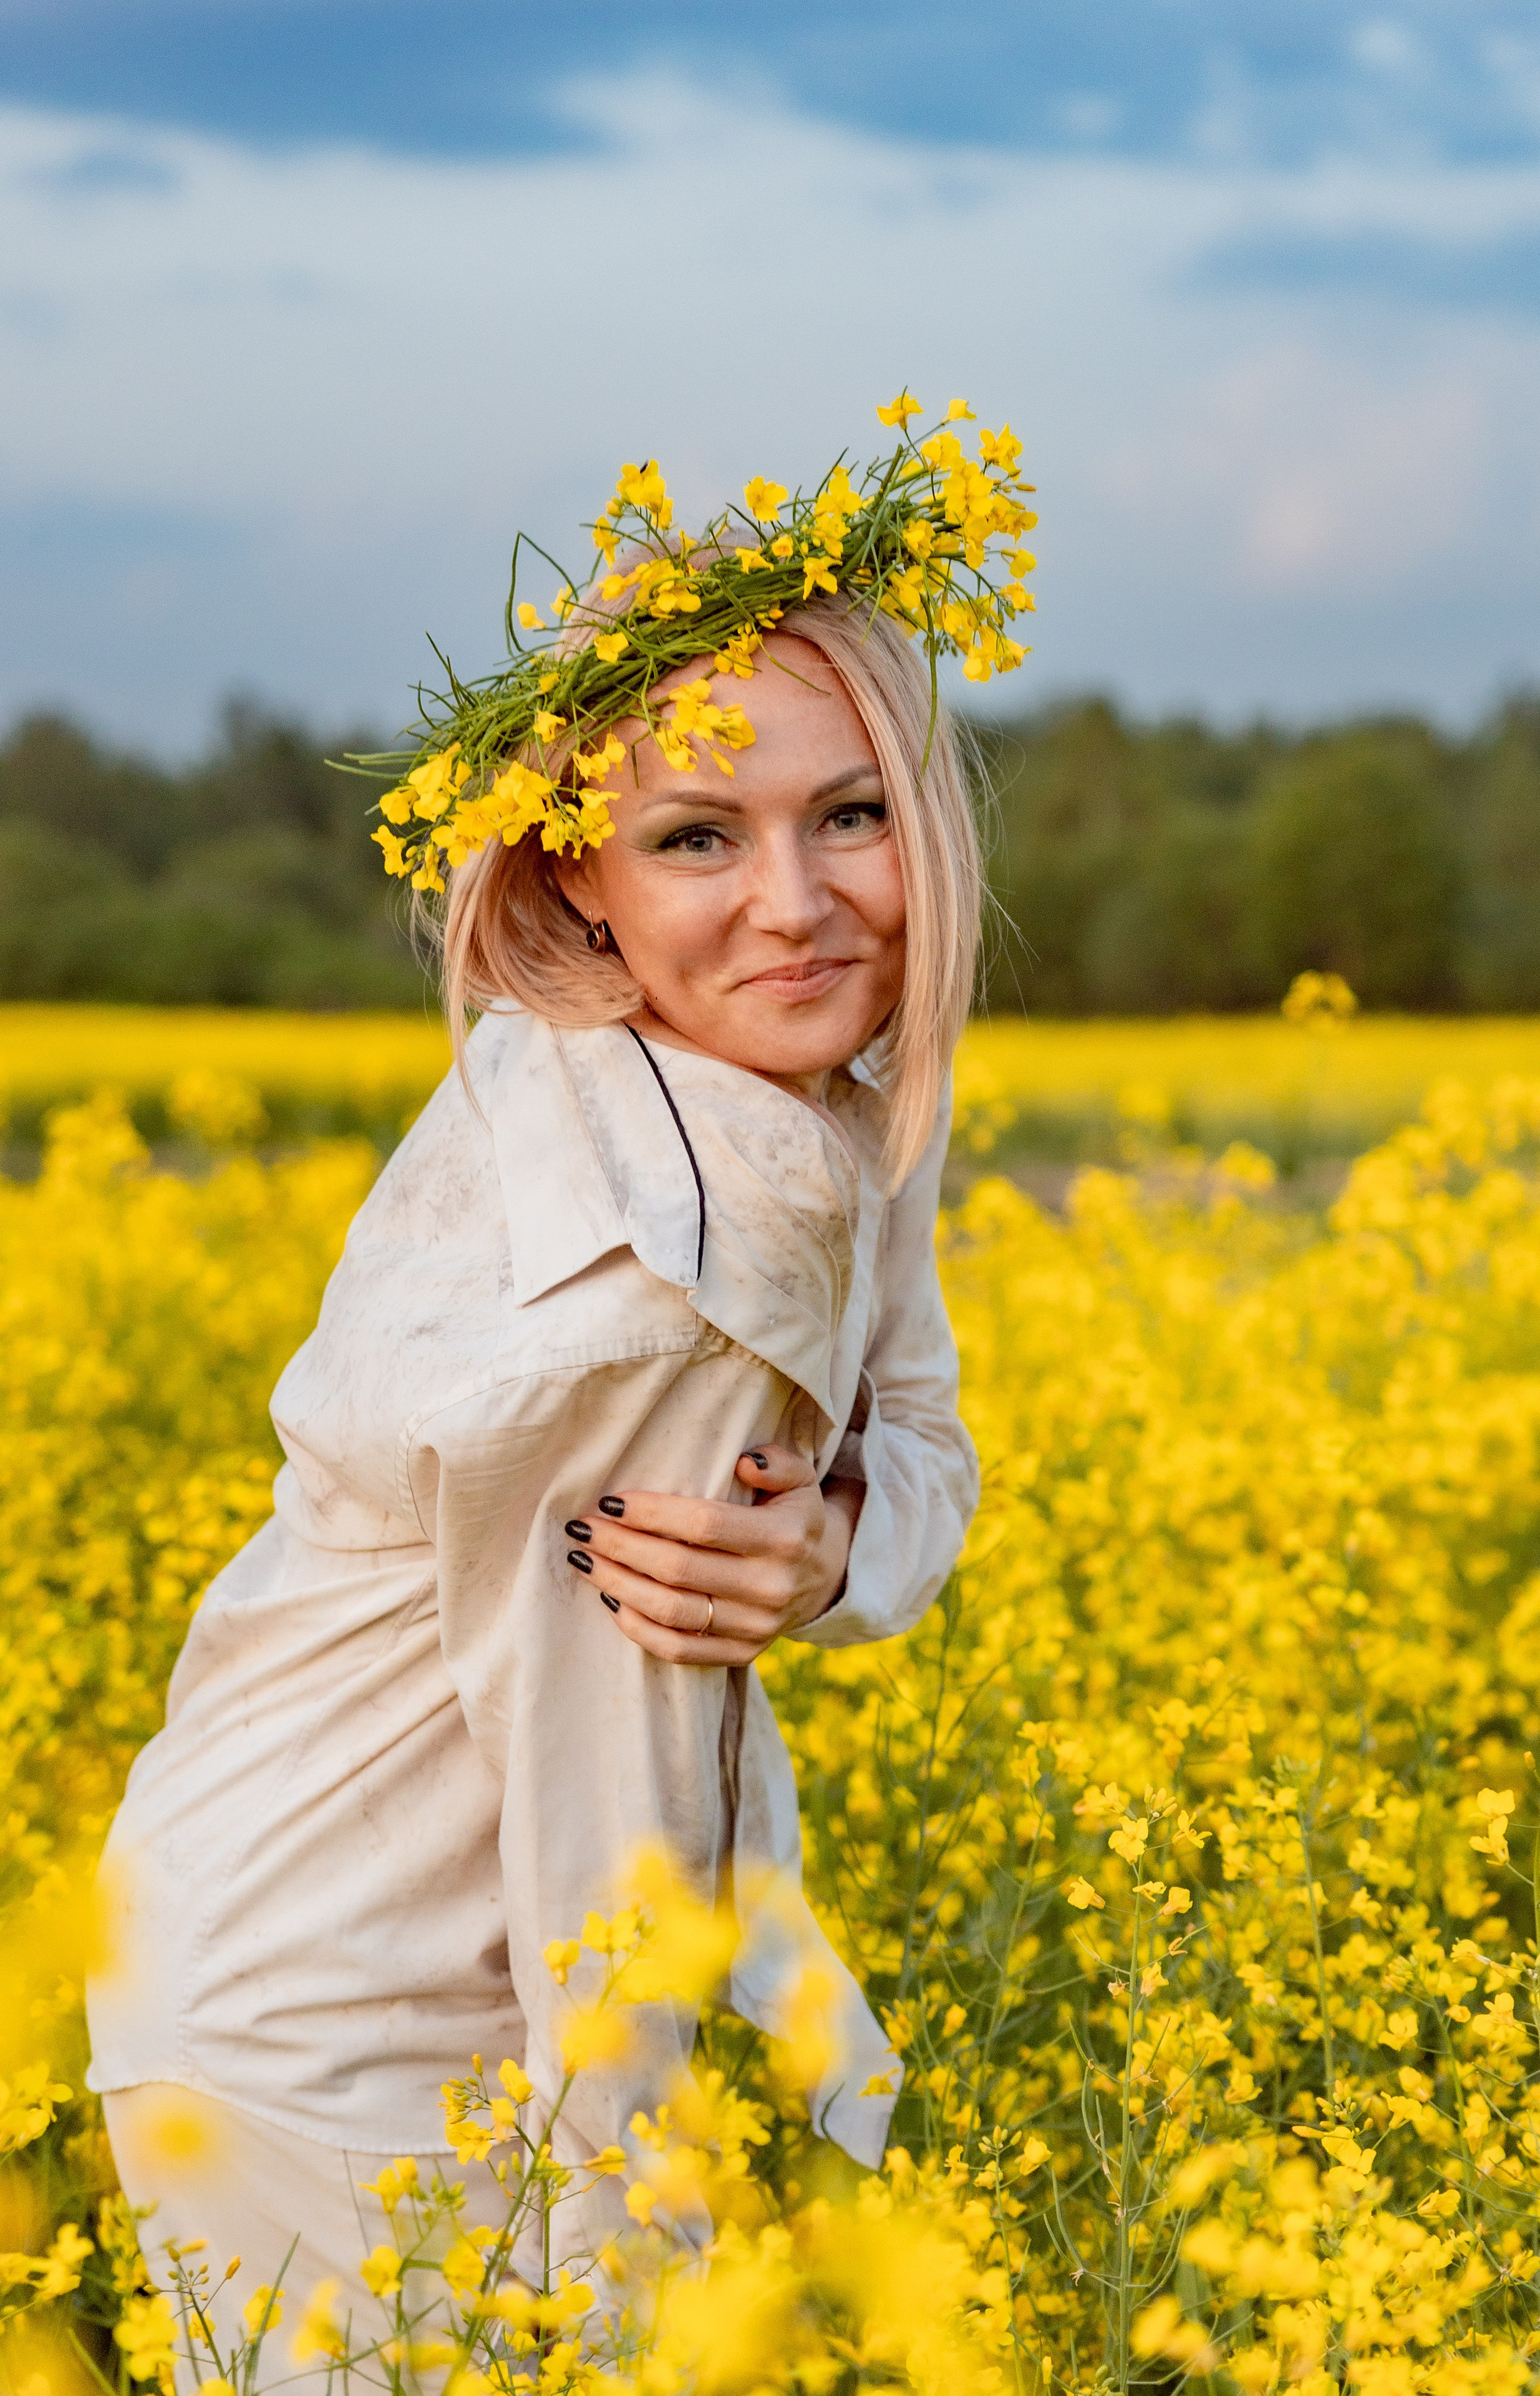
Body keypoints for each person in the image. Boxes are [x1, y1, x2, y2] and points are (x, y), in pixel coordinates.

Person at [86, 413, 1034, 2356]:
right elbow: (603, 1778)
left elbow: (916, 1428)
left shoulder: (811, 1100)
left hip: (311, 1949)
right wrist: (640, 2223)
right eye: (698, 836)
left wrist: (837, 1543)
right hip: (343, 2005)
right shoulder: (653, 1258)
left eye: (851, 814)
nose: (799, 902)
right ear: (580, 878)